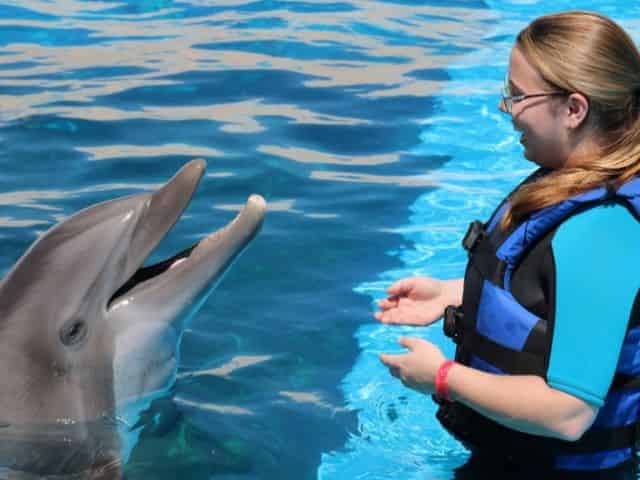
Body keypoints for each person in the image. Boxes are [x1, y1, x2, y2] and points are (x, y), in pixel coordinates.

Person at [376, 10, 640, 478]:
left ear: (574, 109)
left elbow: (568, 412)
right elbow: (558, 299)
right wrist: (452, 293)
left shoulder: (602, 227)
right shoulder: (575, 181)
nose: (505, 108)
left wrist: (442, 378)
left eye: (518, 96)